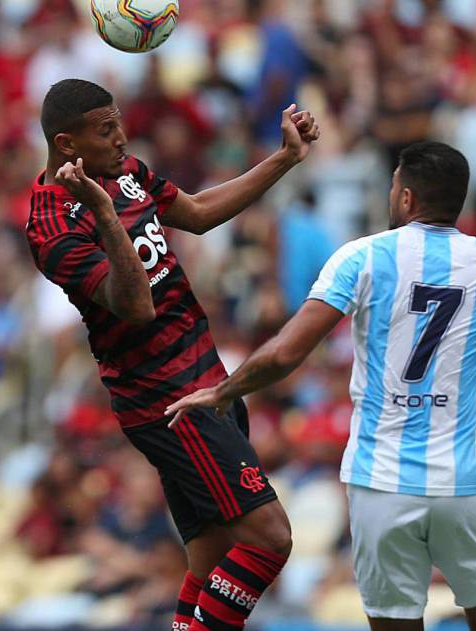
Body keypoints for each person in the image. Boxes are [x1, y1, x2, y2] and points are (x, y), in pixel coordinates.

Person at [166, 141, 476, 631]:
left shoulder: (362, 257)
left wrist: (224, 391)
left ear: (406, 197)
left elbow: (286, 353)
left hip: (381, 483)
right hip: (465, 483)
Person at [25, 78, 319, 631]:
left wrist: (284, 158)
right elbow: (136, 306)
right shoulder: (52, 224)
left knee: (210, 557)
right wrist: (105, 213)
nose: (121, 138)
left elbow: (199, 211)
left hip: (209, 379)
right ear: (66, 144)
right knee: (270, 539)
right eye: (105, 130)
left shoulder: (124, 172)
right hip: (166, 401)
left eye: (119, 123)